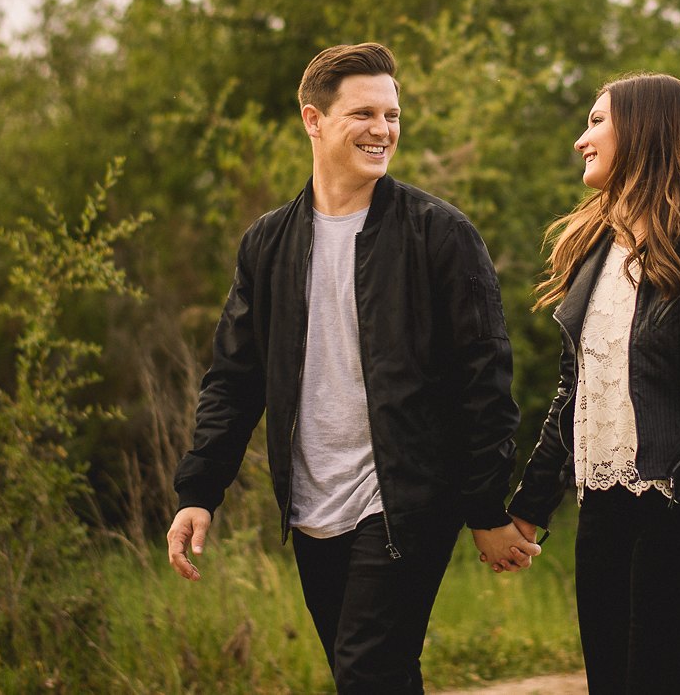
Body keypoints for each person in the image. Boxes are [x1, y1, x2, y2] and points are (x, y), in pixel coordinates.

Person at [166, 42, 539, 693]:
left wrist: (483, 506)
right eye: (364, 112)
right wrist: (200, 489)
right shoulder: (269, 243)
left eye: (392, 114)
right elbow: (233, 378)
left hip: (402, 503)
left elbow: (484, 383)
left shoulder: (439, 235)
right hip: (312, 505)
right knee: (370, 674)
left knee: (368, 671)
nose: (383, 129)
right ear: (313, 119)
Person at [507, 72, 680, 695]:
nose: (581, 139)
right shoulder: (597, 250)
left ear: (644, 132)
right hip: (602, 512)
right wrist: (527, 510)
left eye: (597, 122)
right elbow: (575, 395)